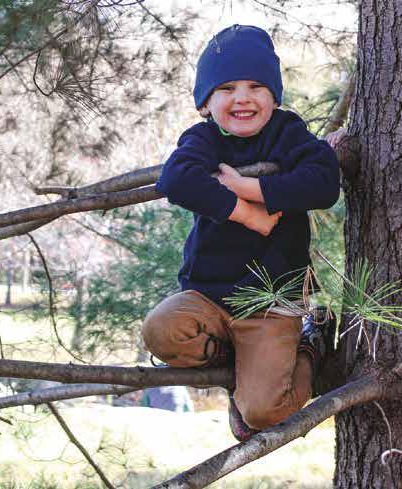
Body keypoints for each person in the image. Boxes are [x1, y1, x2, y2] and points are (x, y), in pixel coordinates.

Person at [141, 24, 340, 442]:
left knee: (263, 411)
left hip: (272, 301)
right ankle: (237, 366)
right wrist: (247, 215)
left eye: (256, 86)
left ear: (275, 97)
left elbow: (324, 184)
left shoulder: (287, 133)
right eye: (227, 88)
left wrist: (248, 187)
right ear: (205, 104)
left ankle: (310, 348)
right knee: (161, 330)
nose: (243, 98)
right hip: (208, 296)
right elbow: (176, 179)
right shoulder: (204, 139)